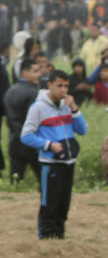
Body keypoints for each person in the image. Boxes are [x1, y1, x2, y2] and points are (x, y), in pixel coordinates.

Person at [20, 70, 87, 238]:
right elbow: (26, 135)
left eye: (66, 86)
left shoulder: (67, 106)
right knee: (50, 202)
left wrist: (74, 109)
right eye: (59, 85)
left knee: (64, 203)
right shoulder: (38, 108)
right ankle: (47, 238)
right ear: (49, 85)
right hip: (50, 163)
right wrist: (49, 145)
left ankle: (59, 236)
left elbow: (82, 130)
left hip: (69, 162)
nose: (63, 90)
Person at [4, 59, 41, 184]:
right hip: (31, 142)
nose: (39, 74)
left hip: (14, 141)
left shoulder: (9, 91)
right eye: (35, 71)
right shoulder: (33, 93)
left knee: (15, 181)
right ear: (25, 72)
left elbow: (9, 118)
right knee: (45, 180)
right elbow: (35, 119)